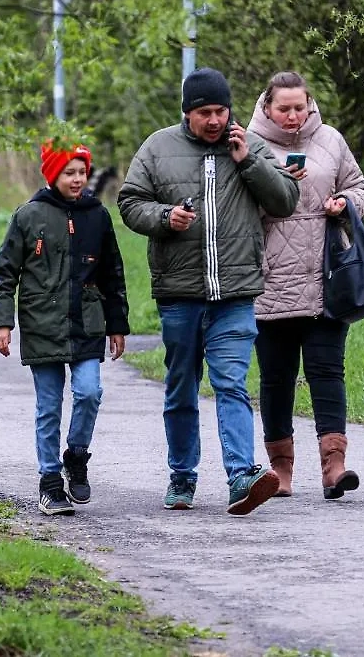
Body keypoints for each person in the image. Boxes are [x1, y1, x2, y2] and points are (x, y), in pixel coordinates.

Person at [117, 67, 299, 515]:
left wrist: (249, 162)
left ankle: (241, 476)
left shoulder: (249, 144)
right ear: (187, 113)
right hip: (180, 294)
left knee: (231, 383)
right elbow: (129, 202)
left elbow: (285, 201)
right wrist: (163, 218)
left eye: (221, 111)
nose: (215, 120)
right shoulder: (158, 147)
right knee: (181, 387)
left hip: (235, 293)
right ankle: (182, 475)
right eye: (205, 113)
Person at [246, 71, 364, 500]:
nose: (294, 115)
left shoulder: (331, 140)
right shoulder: (248, 146)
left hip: (326, 279)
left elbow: (358, 185)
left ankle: (333, 466)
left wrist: (345, 204)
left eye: (300, 106)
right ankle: (281, 471)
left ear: (310, 104)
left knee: (327, 372)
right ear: (267, 108)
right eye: (284, 108)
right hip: (269, 282)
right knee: (276, 379)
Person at [0, 142, 130, 516]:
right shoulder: (29, 216)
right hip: (42, 325)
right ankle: (50, 481)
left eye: (82, 172)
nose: (78, 179)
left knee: (89, 392)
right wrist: (2, 321)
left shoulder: (97, 216)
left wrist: (117, 325)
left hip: (86, 323)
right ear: (52, 174)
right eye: (69, 172)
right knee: (48, 406)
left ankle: (76, 456)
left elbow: (112, 274)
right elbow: (4, 274)